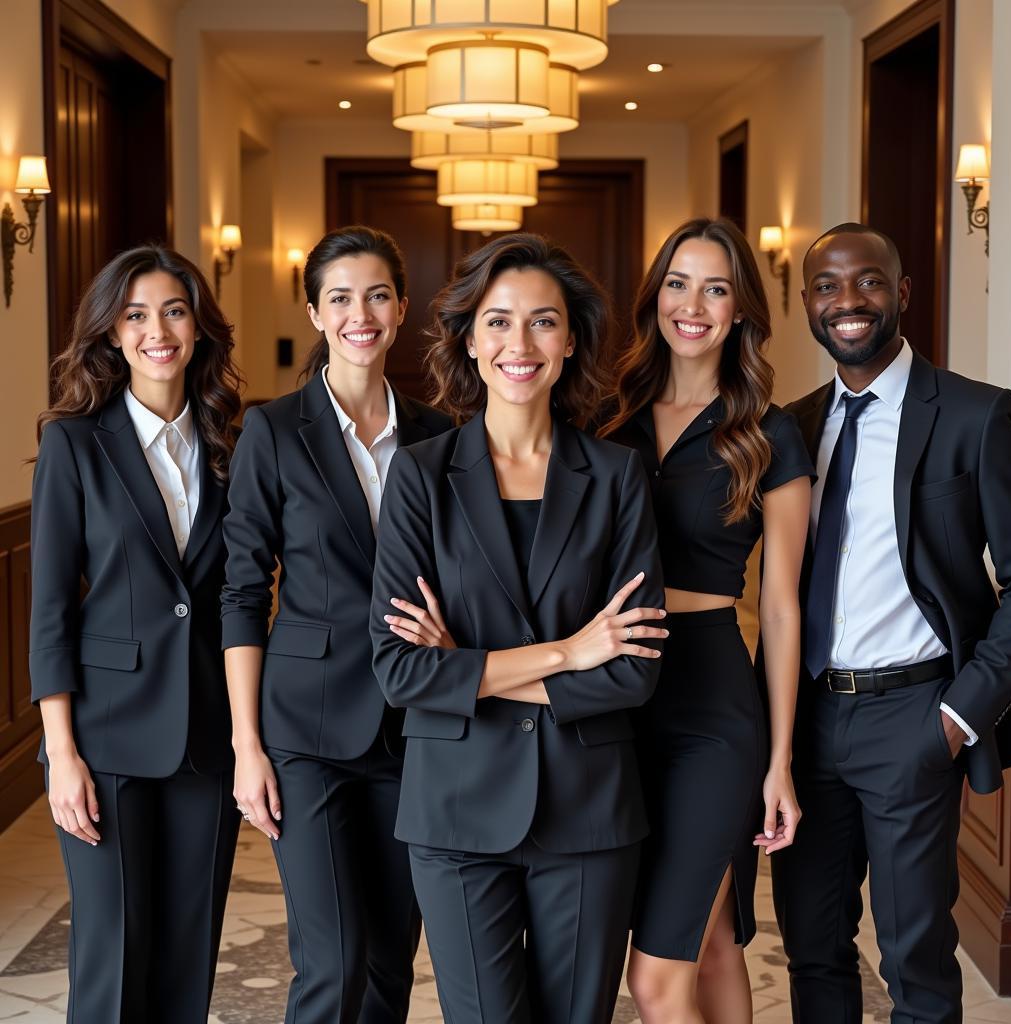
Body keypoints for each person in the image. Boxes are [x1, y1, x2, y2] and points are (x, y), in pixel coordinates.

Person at [369, 232, 667, 1023]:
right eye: (498, 322)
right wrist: (571, 652)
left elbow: (634, 670)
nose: (519, 343)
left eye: (543, 322)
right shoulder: (420, 475)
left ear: (570, 342)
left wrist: (468, 669)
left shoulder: (616, 476)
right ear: (470, 340)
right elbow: (400, 672)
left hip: (589, 808)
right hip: (456, 810)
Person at [772, 222, 1011, 1023]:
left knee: (913, 955)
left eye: (868, 281)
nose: (848, 302)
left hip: (914, 716)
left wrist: (957, 716)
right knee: (813, 949)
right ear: (810, 304)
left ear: (902, 293)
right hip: (808, 717)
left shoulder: (976, 417)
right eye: (827, 287)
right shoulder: (794, 425)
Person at [221, 226, 450, 1023]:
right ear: (316, 312)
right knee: (334, 959)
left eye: (379, 295)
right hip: (307, 731)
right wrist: (247, 747)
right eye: (342, 298)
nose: (362, 313)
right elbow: (243, 592)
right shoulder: (273, 431)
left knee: (392, 958)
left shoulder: (437, 433)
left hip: (417, 729)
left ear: (401, 309)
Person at [601, 218, 813, 1024]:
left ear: (741, 310)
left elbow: (785, 607)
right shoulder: (605, 414)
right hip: (611, 693)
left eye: (716, 288)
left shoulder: (768, 434)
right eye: (679, 283)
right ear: (655, 295)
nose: (694, 305)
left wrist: (780, 759)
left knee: (655, 981)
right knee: (712, 938)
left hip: (711, 705)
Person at [29, 245, 242, 1023]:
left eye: (175, 311)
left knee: (189, 959)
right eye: (136, 314)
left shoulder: (233, 445)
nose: (158, 330)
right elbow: (49, 607)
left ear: (198, 328)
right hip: (106, 737)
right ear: (112, 335)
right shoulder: (74, 444)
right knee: (113, 962)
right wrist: (61, 755)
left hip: (207, 734)